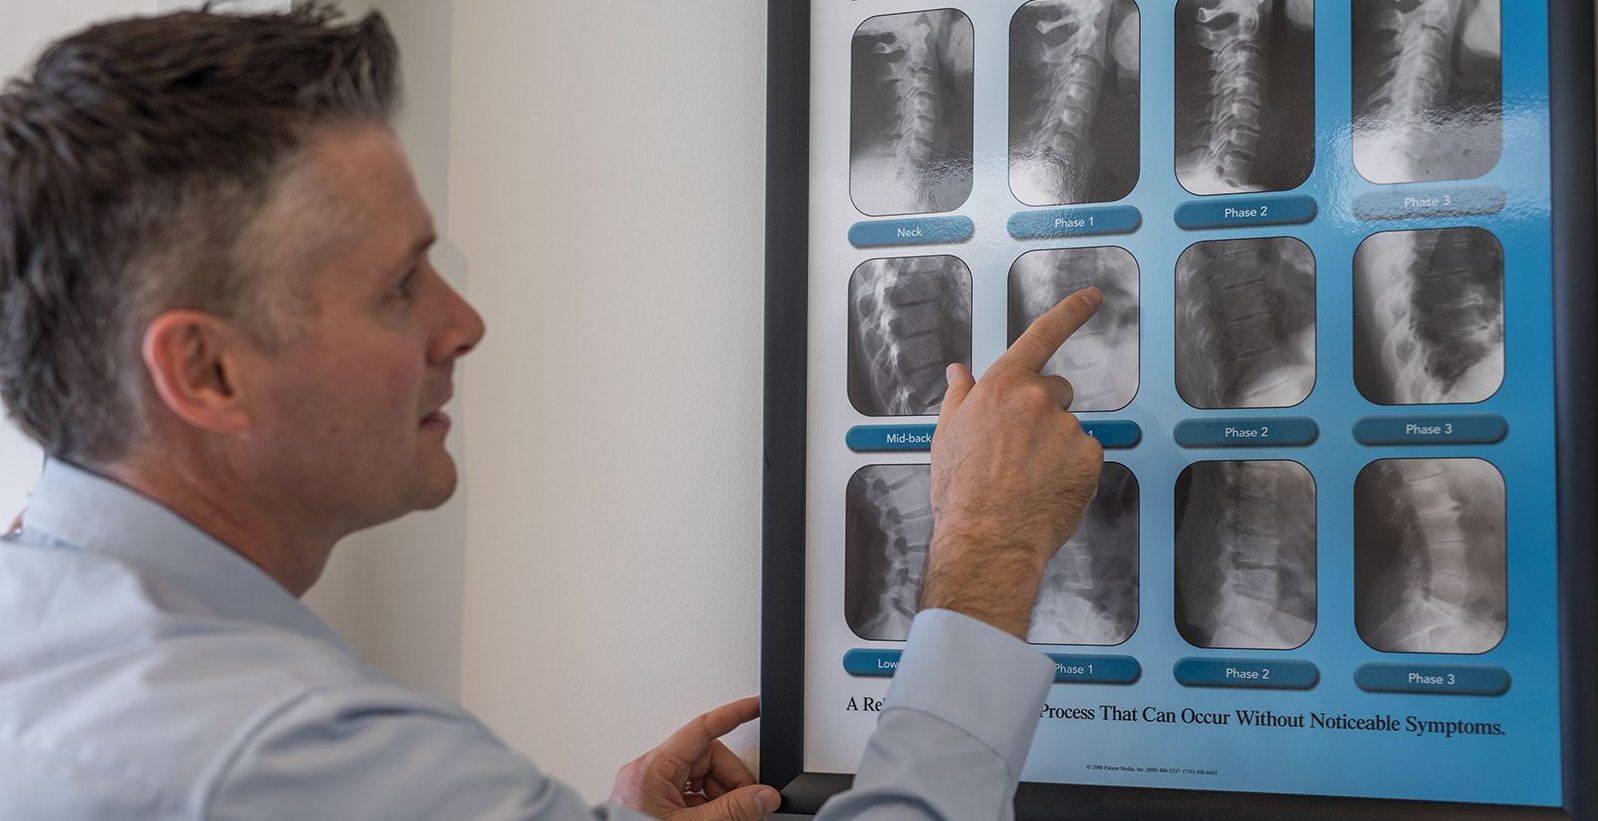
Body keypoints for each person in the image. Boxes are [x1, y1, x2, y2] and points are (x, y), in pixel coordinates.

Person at [0, 6, 1104, 820]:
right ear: (206, 370)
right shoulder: (292, 755)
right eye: (398, 285)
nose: (464, 323)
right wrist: (987, 548)